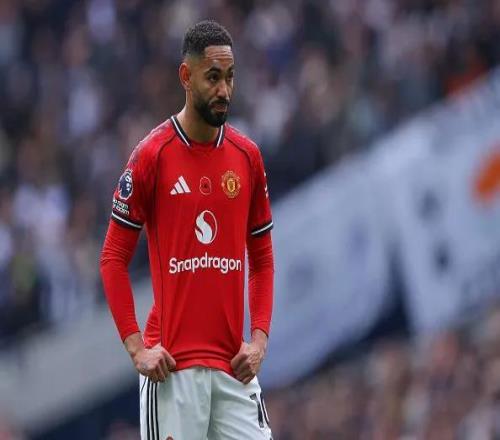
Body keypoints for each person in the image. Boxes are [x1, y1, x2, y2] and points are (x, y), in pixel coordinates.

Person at [100, 20, 274, 440]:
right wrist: (137, 348)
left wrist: (259, 340)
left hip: (234, 368)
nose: (224, 90)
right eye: (213, 77)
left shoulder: (247, 157)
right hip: (172, 370)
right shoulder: (151, 156)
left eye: (230, 77)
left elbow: (263, 259)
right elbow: (112, 259)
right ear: (186, 76)